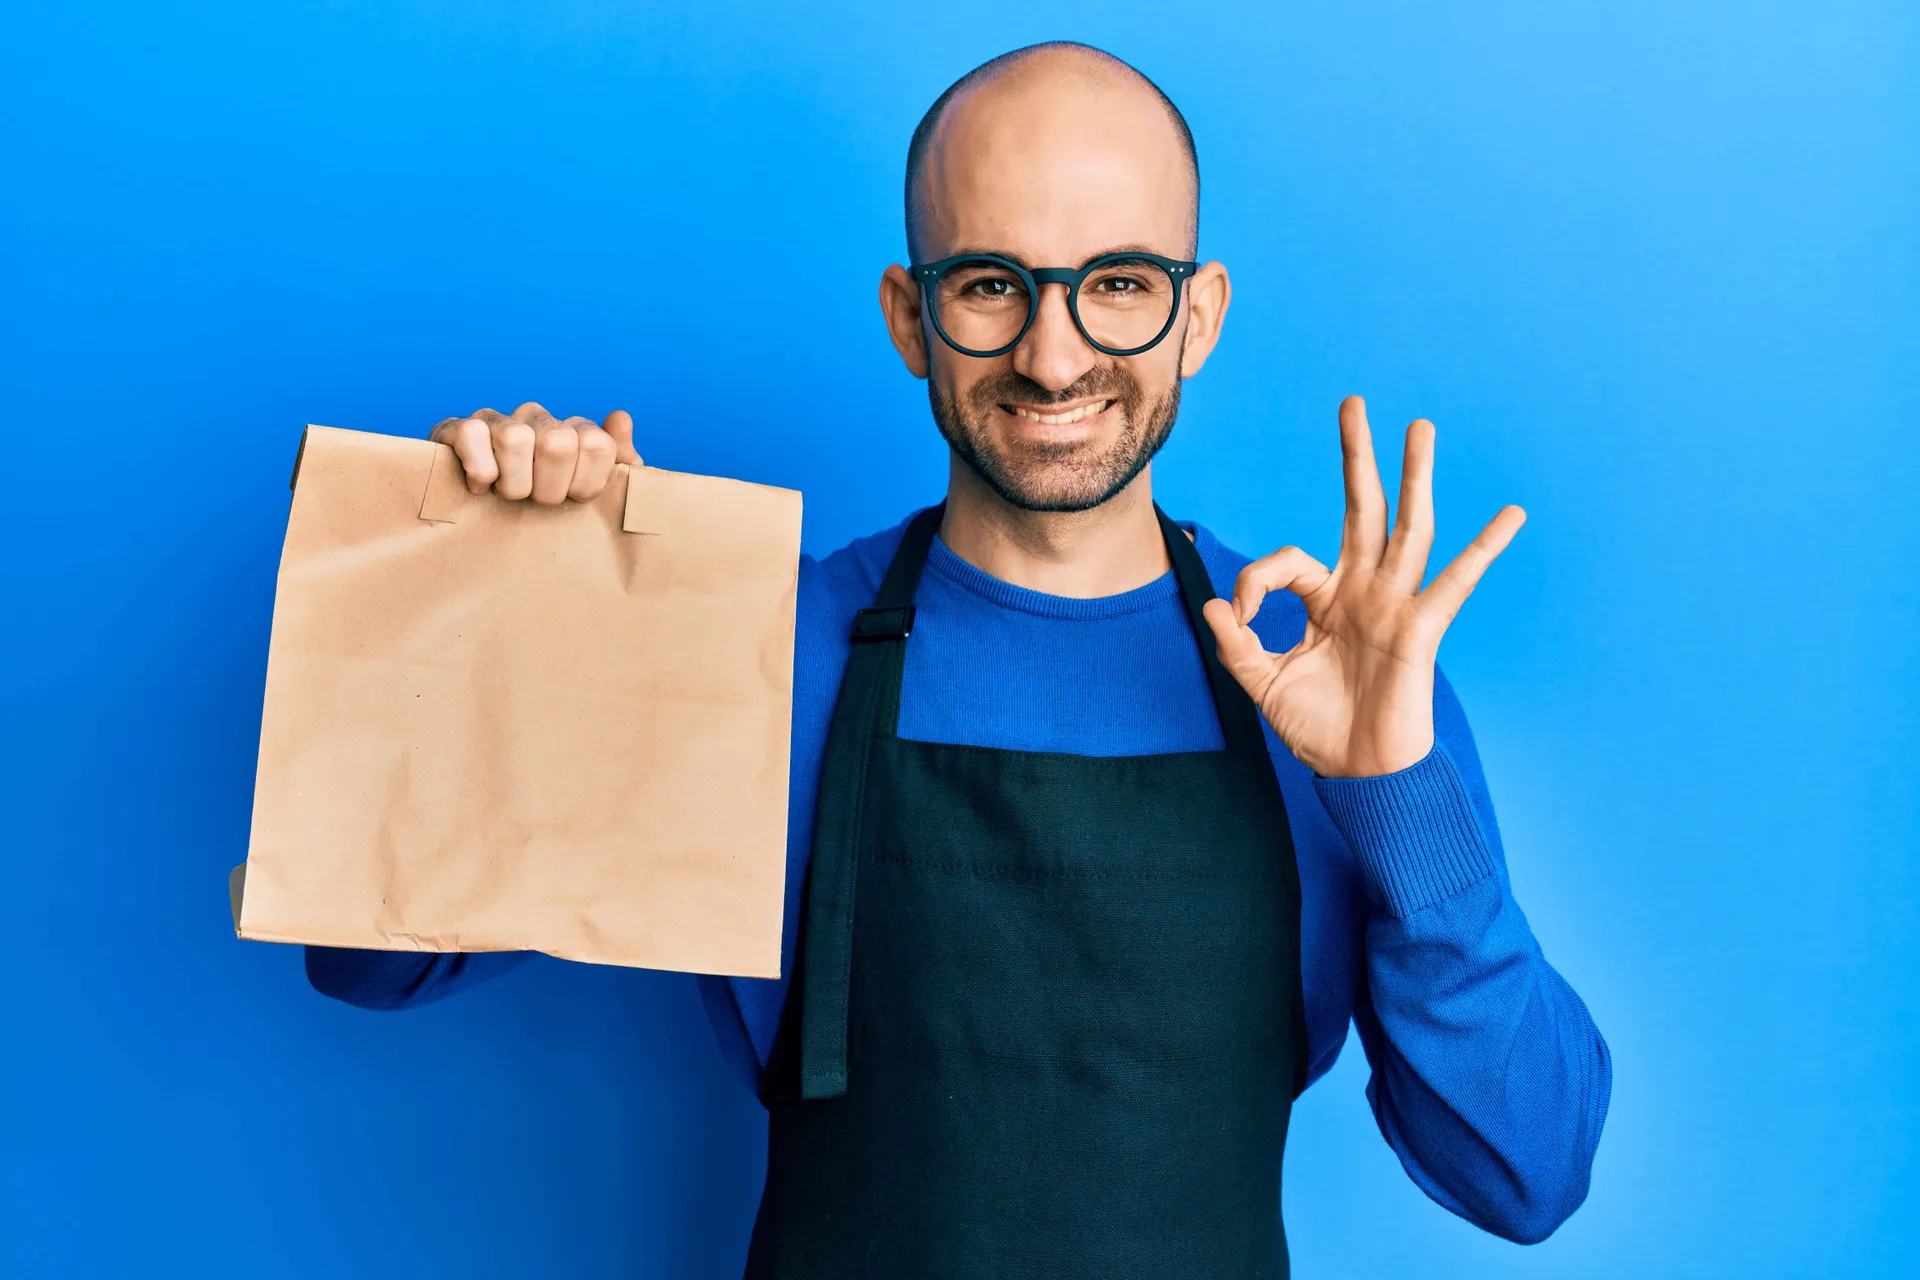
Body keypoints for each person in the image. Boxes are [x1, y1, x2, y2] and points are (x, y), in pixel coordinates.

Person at [306, 41, 1610, 1276]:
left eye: (1117, 284)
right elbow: (369, 962)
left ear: (1197, 316)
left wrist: (1401, 788)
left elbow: (1528, 1175)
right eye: (993, 284)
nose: (1054, 357)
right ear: (911, 316)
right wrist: (503, 597)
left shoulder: (1339, 691)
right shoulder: (761, 648)